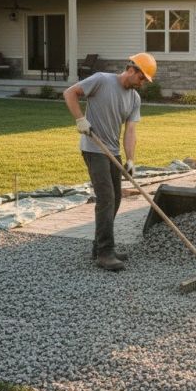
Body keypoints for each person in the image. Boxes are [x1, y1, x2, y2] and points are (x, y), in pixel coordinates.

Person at [63, 52, 157, 271]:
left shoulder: (134, 98)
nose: (142, 83)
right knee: (106, 198)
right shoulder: (101, 80)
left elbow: (130, 131)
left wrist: (131, 160)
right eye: (142, 78)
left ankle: (99, 247)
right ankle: (105, 253)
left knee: (115, 200)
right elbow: (70, 93)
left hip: (112, 151)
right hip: (94, 148)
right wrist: (80, 119)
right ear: (132, 70)